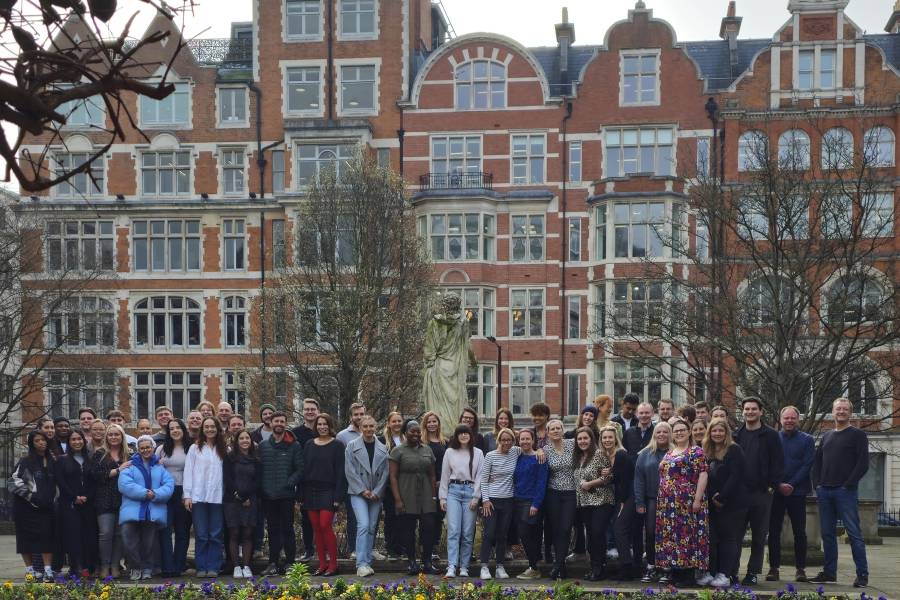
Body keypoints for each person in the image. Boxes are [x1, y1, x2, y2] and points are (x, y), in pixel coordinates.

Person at [810, 397, 870, 588]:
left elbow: (863, 464)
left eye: (845, 409)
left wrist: (848, 485)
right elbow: (816, 462)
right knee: (827, 535)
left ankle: (862, 575)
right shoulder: (826, 436)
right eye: (838, 409)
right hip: (824, 492)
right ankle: (829, 573)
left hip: (845, 492)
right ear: (833, 411)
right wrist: (817, 485)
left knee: (854, 535)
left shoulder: (858, 435)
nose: (841, 412)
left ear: (850, 413)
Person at [733, 397, 784, 586]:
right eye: (747, 409)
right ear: (743, 411)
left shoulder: (770, 435)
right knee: (736, 536)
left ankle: (753, 572)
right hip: (739, 494)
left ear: (760, 412)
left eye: (754, 409)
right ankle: (732, 571)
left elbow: (778, 463)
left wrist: (771, 487)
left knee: (758, 536)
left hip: (762, 493)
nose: (750, 412)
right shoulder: (737, 434)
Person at [654, 418, 709, 586]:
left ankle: (688, 576)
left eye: (682, 430)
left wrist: (698, 499)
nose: (679, 432)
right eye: (676, 430)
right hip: (668, 504)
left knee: (688, 536)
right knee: (672, 538)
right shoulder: (669, 453)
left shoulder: (696, 451)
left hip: (688, 501)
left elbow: (703, 474)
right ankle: (676, 573)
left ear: (689, 432)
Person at [767, 405, 814, 583]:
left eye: (792, 418)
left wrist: (791, 484)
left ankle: (801, 569)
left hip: (798, 492)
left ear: (798, 420)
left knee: (800, 532)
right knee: (773, 531)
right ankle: (773, 568)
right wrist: (778, 484)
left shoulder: (807, 439)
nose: (789, 421)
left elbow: (807, 464)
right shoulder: (774, 438)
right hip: (776, 492)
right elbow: (769, 464)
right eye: (786, 418)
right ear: (781, 420)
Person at [119, 435, 174, 581]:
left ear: (153, 448)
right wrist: (145, 493)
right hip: (131, 510)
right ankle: (135, 567)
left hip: (152, 510)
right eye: (142, 448)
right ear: (138, 449)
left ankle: (147, 568)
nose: (145, 450)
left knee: (148, 542)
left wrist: (155, 494)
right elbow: (124, 484)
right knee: (128, 539)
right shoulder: (130, 465)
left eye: (148, 447)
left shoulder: (160, 467)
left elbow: (168, 485)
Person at [389, 420, 439, 575]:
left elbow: (432, 475)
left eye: (418, 431)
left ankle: (427, 561)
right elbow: (393, 477)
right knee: (407, 530)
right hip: (406, 493)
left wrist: (433, 496)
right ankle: (411, 562)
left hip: (425, 494)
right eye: (412, 431)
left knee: (429, 527)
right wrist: (397, 499)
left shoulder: (427, 450)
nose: (416, 434)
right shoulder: (398, 451)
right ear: (405, 433)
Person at [703, 418, 748, 587]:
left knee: (729, 539)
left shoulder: (734, 450)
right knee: (713, 539)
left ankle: (725, 574)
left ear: (726, 432)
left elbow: (736, 476)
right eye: (714, 431)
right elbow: (704, 476)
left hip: (732, 503)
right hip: (712, 503)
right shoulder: (707, 450)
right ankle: (713, 572)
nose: (717, 434)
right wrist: (712, 497)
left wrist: (721, 497)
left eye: (721, 431)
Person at [259, 411, 304, 576]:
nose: (279, 423)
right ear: (270, 423)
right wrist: (263, 488)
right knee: (272, 531)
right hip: (268, 496)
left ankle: (290, 562)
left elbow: (300, 469)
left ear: (285, 423)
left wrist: (289, 483)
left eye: (282, 421)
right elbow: (259, 469)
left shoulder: (294, 445)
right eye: (276, 421)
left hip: (286, 496)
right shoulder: (263, 446)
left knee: (288, 529)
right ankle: (273, 562)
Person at [9, 431, 57, 581]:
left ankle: (48, 570)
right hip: (26, 507)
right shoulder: (25, 461)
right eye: (37, 440)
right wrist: (31, 496)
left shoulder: (52, 460)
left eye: (43, 440)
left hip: (46, 507)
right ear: (32, 443)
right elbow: (13, 481)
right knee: (25, 538)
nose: (41, 443)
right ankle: (31, 571)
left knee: (46, 537)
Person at [301, 413, 345, 576]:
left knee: (325, 525)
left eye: (325, 424)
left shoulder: (338, 445)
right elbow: (304, 470)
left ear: (330, 425)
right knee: (316, 528)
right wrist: (301, 494)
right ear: (315, 426)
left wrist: (338, 497)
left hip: (329, 491)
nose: (322, 427)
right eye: (319, 424)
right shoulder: (308, 444)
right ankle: (322, 564)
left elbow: (341, 472)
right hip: (310, 491)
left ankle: (333, 565)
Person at [345, 416, 389, 577]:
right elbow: (349, 471)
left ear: (376, 427)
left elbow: (385, 473)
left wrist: (377, 491)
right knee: (363, 525)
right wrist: (363, 490)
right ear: (360, 427)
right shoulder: (351, 446)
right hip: (358, 492)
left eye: (371, 426)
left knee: (371, 527)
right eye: (365, 426)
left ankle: (368, 562)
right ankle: (361, 564)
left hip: (376, 494)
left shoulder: (383, 448)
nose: (369, 429)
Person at [183, 417, 226, 578]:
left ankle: (213, 566)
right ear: (202, 429)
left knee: (215, 535)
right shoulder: (195, 448)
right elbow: (188, 471)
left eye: (212, 426)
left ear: (217, 428)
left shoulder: (223, 448)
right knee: (201, 534)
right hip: (198, 496)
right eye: (206, 427)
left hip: (217, 497)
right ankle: (201, 567)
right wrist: (187, 495)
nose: (209, 429)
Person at [439, 424, 483, 579]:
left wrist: (476, 497)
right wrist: (442, 497)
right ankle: (452, 566)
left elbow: (480, 477)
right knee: (454, 530)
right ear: (456, 436)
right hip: (454, 492)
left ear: (471, 435)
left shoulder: (478, 453)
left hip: (470, 492)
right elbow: (445, 475)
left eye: (466, 433)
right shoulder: (450, 452)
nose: (464, 436)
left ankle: (464, 567)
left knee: (467, 532)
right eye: (461, 433)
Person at [478, 427, 522, 580]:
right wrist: (485, 500)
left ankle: (500, 566)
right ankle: (484, 566)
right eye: (503, 440)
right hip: (491, 501)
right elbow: (484, 479)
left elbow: (530, 449)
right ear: (499, 440)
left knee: (502, 535)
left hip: (508, 500)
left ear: (513, 441)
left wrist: (539, 452)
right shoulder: (490, 455)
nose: (506, 442)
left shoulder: (516, 452)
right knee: (489, 533)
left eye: (509, 440)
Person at [573, 426, 614, 581]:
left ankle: (600, 568)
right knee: (590, 535)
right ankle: (594, 567)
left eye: (585, 438)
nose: (582, 441)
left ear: (591, 439)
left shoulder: (599, 454)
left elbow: (608, 477)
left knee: (597, 533)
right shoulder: (577, 457)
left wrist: (591, 484)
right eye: (580, 439)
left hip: (602, 500)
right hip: (585, 502)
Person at [55, 429, 97, 578]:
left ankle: (88, 567)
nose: (77, 442)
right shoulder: (62, 460)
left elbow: (94, 482)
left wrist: (87, 496)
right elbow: (61, 481)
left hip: (88, 504)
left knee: (88, 536)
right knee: (73, 537)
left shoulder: (90, 459)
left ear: (84, 441)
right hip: (69, 504)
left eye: (79, 439)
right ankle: (75, 567)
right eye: (73, 439)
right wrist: (74, 497)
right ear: (69, 442)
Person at [91, 423, 131, 579]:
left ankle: (115, 566)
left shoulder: (129, 454)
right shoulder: (99, 454)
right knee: (106, 533)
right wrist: (119, 470)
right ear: (106, 437)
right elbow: (96, 475)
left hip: (124, 499)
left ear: (122, 437)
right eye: (111, 434)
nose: (114, 437)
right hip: (104, 499)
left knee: (120, 534)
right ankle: (104, 566)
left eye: (117, 434)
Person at [635, 422, 671, 583]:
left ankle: (667, 568)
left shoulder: (676, 452)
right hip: (651, 500)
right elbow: (639, 479)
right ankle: (651, 565)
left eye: (665, 432)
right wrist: (639, 502)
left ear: (670, 434)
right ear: (654, 434)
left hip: (672, 501)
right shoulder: (645, 454)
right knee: (650, 534)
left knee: (668, 534)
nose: (661, 434)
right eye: (658, 432)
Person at [156, 418, 192, 578]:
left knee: (182, 531)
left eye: (178, 427)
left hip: (183, 492)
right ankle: (167, 567)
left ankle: (178, 566)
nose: (175, 430)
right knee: (165, 530)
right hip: (165, 493)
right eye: (172, 429)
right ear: (168, 432)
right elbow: (155, 470)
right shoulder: (162, 449)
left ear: (183, 430)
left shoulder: (191, 448)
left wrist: (187, 495)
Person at [223, 429, 262, 579]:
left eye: (247, 438)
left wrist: (246, 497)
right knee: (234, 533)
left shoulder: (256, 459)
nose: (245, 440)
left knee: (247, 534)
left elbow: (257, 481)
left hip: (250, 501)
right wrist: (239, 496)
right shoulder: (230, 458)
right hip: (232, 501)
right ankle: (236, 567)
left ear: (251, 441)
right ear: (236, 441)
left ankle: (246, 566)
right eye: (241, 438)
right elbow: (228, 479)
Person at [602, 425, 637, 580]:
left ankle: (627, 569)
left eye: (610, 437)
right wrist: (609, 473)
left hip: (629, 497)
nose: (607, 440)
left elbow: (626, 480)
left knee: (619, 528)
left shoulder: (621, 454)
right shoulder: (608, 456)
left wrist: (622, 502)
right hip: (621, 497)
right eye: (604, 438)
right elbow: (616, 478)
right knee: (618, 530)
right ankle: (626, 566)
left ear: (615, 439)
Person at [512, 428, 548, 580]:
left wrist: (536, 504)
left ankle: (534, 568)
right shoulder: (517, 457)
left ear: (533, 441)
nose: (525, 441)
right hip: (517, 501)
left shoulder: (539, 458)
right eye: (522, 439)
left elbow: (542, 483)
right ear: (518, 441)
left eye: (528, 439)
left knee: (526, 534)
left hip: (531, 502)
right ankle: (533, 565)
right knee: (524, 534)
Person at [543, 418, 576, 580]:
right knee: (556, 530)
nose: (556, 431)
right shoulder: (545, 450)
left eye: (558, 428)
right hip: (553, 493)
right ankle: (561, 567)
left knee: (565, 528)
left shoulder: (573, 444)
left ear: (563, 430)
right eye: (552, 429)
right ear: (548, 433)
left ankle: (557, 564)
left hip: (571, 492)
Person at [292, 398, 320, 563]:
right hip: (304, 483)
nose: (310, 412)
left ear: (317, 411)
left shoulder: (323, 430)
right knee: (307, 519)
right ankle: (309, 550)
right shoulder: (296, 433)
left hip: (323, 481)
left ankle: (323, 550)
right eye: (307, 409)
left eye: (313, 409)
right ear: (303, 412)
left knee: (324, 520)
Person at [379, 410, 405, 559]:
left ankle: (402, 546)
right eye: (394, 421)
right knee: (391, 516)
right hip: (389, 484)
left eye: (399, 421)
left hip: (406, 484)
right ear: (388, 423)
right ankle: (391, 547)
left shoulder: (407, 438)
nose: (397, 424)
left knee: (404, 517)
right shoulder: (382, 440)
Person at [422, 410, 448, 545]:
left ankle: (435, 546)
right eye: (429, 422)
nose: (432, 424)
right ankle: (426, 547)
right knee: (427, 518)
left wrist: (442, 481)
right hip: (425, 486)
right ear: (425, 425)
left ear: (438, 423)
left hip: (441, 485)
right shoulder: (421, 442)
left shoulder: (445, 442)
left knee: (439, 517)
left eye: (434, 421)